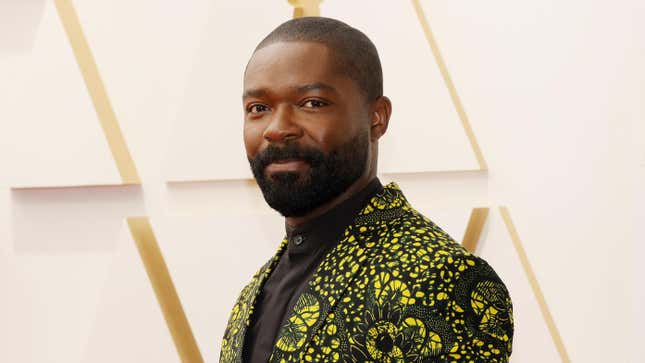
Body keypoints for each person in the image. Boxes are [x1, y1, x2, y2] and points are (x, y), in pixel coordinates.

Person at [220, 16, 513, 363]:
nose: (277, 128)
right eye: (259, 108)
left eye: (312, 103)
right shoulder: (252, 297)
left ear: (377, 117)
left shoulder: (441, 278)